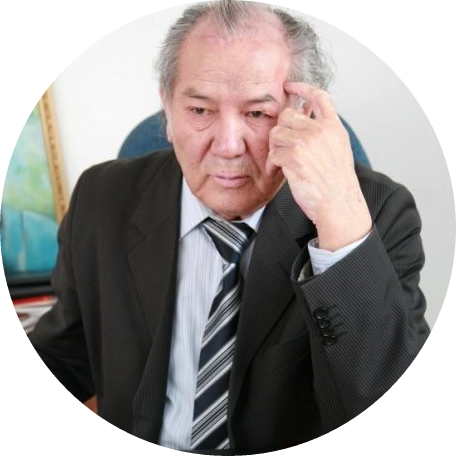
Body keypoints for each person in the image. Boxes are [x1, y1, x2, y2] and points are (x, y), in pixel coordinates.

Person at [29, 0, 430, 453]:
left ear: (302, 115)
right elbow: (64, 356)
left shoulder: (374, 213)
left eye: (258, 114)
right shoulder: (102, 197)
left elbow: (391, 417)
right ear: (167, 108)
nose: (227, 146)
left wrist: (338, 221)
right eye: (200, 110)